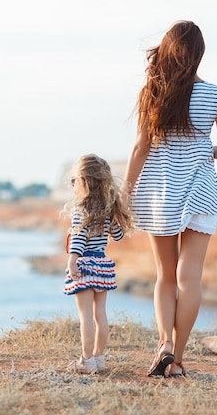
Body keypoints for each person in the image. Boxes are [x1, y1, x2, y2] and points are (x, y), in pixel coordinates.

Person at [122, 20, 217, 378]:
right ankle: (180, 360)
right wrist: (205, 150)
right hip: (201, 193)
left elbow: (142, 147)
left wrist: (126, 189)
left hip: (160, 194)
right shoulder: (216, 94)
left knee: (165, 277)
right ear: (200, 54)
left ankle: (164, 346)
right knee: (190, 279)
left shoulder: (152, 92)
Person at [63, 154, 134, 374]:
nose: (73, 184)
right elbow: (119, 236)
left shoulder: (80, 209)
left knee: (85, 316)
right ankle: (99, 358)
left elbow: (78, 238)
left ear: (84, 182)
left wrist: (72, 260)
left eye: (75, 180)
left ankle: (86, 361)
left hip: (84, 264)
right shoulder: (108, 209)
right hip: (102, 265)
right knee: (100, 315)